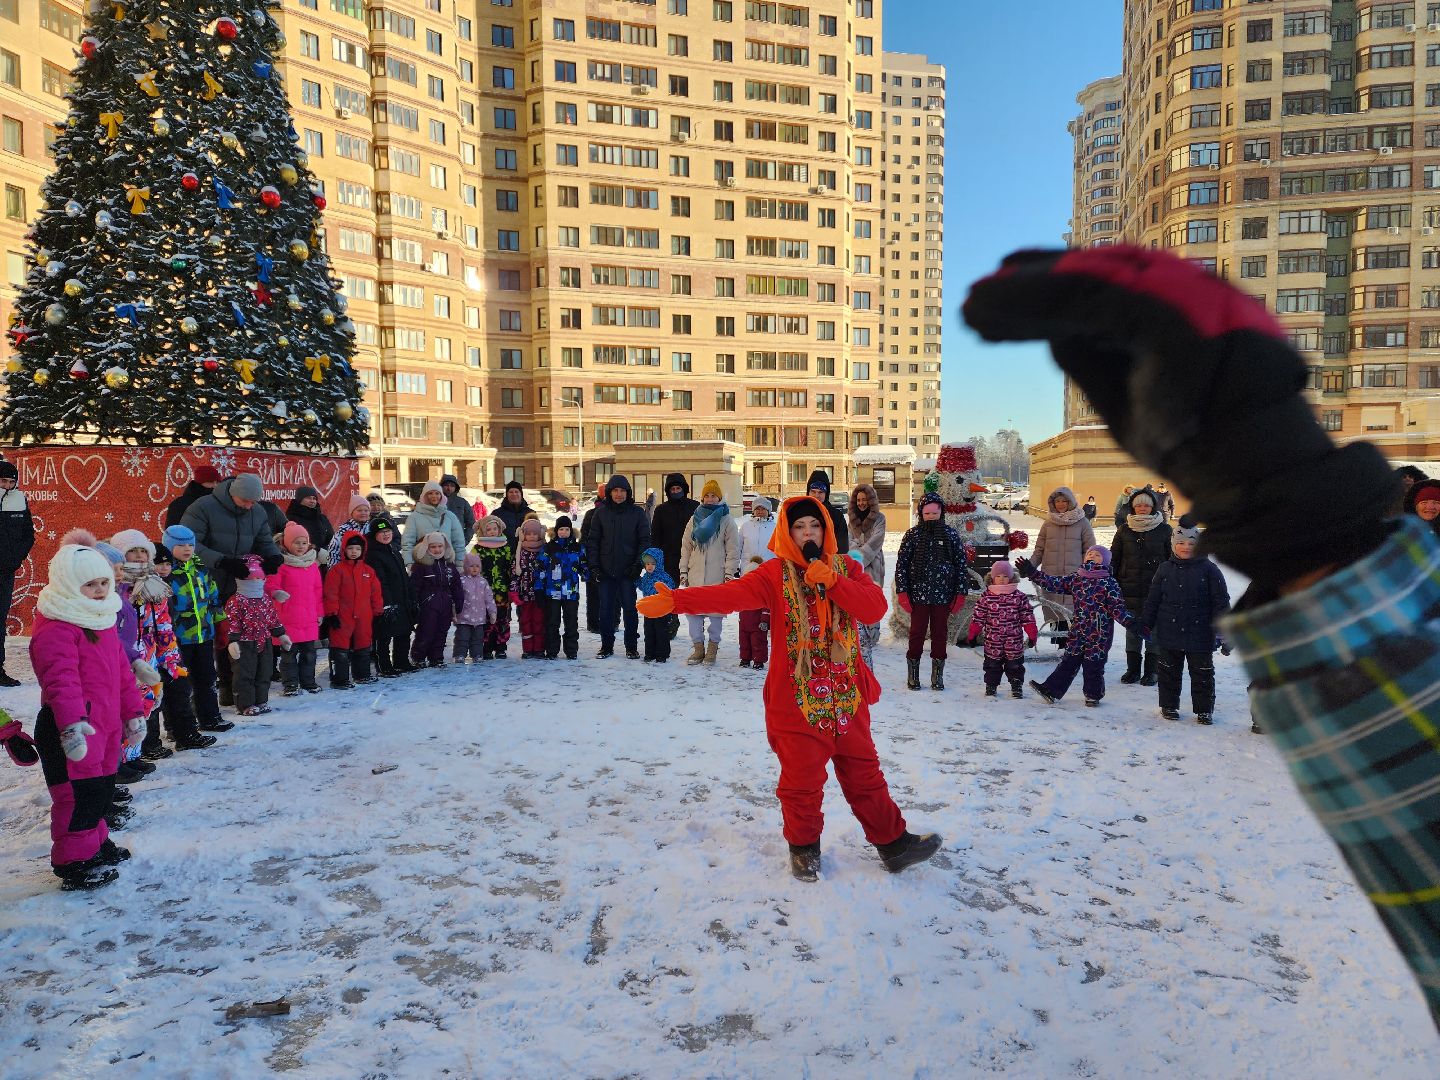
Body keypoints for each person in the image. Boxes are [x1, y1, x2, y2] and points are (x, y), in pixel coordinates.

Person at [965, 243, 1440, 1025]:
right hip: (1176, 600)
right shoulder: (1081, 544)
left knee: (1133, 665)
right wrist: (1292, 506)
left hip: (1162, 609)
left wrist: (1290, 517)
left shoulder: (1141, 547)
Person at [638, 495, 942, 881]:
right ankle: (803, 850)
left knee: (866, 775)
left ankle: (895, 845)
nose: (808, 533)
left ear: (826, 531)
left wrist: (833, 582)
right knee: (801, 782)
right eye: (799, 527)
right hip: (797, 703)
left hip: (846, 698)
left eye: (814, 526)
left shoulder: (846, 567)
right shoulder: (773, 575)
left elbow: (872, 609)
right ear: (787, 532)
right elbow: (730, 595)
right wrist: (676, 601)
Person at [30, 539, 149, 890]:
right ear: (68, 584)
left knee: (99, 790)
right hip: (72, 728)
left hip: (106, 724)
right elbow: (60, 682)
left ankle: (96, 843)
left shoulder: (100, 618)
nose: (99, 591)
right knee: (75, 797)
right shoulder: (57, 628)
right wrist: (70, 728)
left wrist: (133, 713)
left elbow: (122, 675)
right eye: (89, 584)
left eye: (103, 583)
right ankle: (73, 861)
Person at [1016, 547, 1132, 707]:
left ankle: (1093, 695)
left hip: (1099, 633)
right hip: (1078, 630)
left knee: (1093, 665)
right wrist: (1032, 572)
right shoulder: (1077, 578)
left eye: (1097, 555)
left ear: (1105, 561)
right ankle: (1051, 690)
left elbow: (1117, 608)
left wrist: (1131, 622)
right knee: (1068, 661)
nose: (1092, 556)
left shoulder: (1109, 582)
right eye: (1090, 554)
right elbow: (1053, 584)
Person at [1141, 523, 1230, 725]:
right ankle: (1169, 705)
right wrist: (1145, 623)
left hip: (1201, 632)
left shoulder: (1210, 570)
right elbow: (1153, 599)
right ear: (1173, 545)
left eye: (1192, 543)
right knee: (1168, 670)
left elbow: (1221, 603)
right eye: (1180, 542)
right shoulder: (1164, 569)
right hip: (1169, 631)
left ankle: (1204, 710)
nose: (1186, 547)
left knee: (1203, 673)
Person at [894, 492, 968, 692]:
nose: (931, 516)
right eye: (927, 513)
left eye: (935, 512)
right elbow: (902, 565)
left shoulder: (951, 535)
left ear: (941, 512)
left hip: (942, 596)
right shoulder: (912, 535)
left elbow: (961, 565)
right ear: (921, 514)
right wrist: (903, 592)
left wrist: (960, 593)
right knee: (916, 633)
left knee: (940, 634)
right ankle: (913, 674)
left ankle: (937, 675)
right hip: (918, 595)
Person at [163, 524, 232, 733]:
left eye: (190, 545)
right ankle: (177, 726)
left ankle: (210, 717)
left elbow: (213, 599)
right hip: (178, 638)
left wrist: (221, 625)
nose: (187, 549)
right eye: (181, 545)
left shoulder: (201, 569)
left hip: (203, 634)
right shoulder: (168, 574)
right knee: (179, 684)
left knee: (207, 678)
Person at [1110, 487, 1173, 687]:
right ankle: (1133, 670)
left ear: (1153, 506)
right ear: (1133, 507)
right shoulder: (1124, 530)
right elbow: (1114, 558)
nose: (1142, 508)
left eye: (1146, 505)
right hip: (1128, 587)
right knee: (1132, 629)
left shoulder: (1165, 529)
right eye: (1138, 505)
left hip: (1156, 588)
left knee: (1153, 629)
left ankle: (1152, 671)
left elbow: (1171, 559)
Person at [585, 474, 650, 660]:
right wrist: (595, 567)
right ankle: (606, 646)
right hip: (605, 571)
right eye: (615, 491)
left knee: (630, 609)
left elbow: (644, 540)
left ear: (627, 492)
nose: (619, 494)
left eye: (622, 491)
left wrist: (638, 565)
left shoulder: (637, 513)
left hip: (628, 571)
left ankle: (631, 646)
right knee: (605, 609)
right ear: (609, 493)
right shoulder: (601, 513)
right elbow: (593, 541)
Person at [678, 480, 740, 665]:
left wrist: (729, 573)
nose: (710, 498)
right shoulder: (694, 518)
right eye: (707, 495)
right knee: (693, 615)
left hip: (717, 575)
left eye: (714, 495)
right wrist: (684, 571)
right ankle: (698, 649)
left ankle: (712, 649)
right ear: (702, 498)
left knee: (715, 616)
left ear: (719, 497)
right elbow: (686, 547)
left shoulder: (726, 519)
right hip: (695, 574)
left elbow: (733, 549)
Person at [1032, 486, 1096, 650]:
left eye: (1064, 501)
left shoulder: (1083, 523)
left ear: (1071, 502)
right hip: (1051, 575)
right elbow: (1039, 550)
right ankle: (1060, 646)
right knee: (1055, 612)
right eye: (1057, 501)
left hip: (1075, 577)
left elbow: (1090, 551)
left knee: (1073, 612)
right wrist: (1029, 566)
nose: (1060, 504)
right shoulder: (1048, 524)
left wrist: (1087, 571)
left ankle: (1073, 647)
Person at [224, 556, 290, 715]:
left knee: (264, 672)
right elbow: (232, 621)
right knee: (245, 674)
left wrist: (281, 634)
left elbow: (272, 618)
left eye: (259, 578)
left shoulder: (265, 599)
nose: (256, 582)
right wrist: (233, 641)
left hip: (264, 640)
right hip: (244, 643)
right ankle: (245, 704)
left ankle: (261, 700)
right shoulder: (236, 601)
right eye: (252, 579)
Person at [966, 560, 1037, 698]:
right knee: (992, 664)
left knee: (1015, 665)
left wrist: (1032, 635)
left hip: (1014, 640)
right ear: (992, 578)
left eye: (1005, 576)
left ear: (1011, 577)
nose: (1002, 579)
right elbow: (978, 617)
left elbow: (1027, 617)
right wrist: (972, 634)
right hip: (993, 641)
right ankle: (991, 686)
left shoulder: (1019, 597)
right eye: (998, 576)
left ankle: (1016, 685)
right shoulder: (986, 597)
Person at [270, 522, 324, 696]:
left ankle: (308, 681)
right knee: (288, 655)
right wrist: (276, 593)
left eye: (304, 542)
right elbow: (271, 585)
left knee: (309, 654)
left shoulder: (312, 565)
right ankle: (291, 684)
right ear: (286, 544)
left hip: (309, 618)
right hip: (287, 619)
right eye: (296, 542)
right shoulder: (281, 565)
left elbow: (318, 591)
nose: (300, 547)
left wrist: (320, 612)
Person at [324, 531, 383, 687]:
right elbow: (331, 593)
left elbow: (376, 593)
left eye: (357, 549)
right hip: (343, 615)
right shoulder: (337, 570)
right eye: (350, 548)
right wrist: (331, 613)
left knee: (363, 645)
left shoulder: (368, 571)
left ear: (362, 550)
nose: (354, 552)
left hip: (364, 615)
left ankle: (362, 675)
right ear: (344, 549)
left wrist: (378, 611)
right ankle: (339, 679)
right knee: (340, 647)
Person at [648, 472, 698, 643]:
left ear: (684, 489)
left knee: (695, 593)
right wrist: (655, 558)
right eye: (673, 489)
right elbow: (655, 536)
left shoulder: (695, 507)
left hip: (692, 558)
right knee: (669, 593)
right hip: (669, 558)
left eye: (679, 488)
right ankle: (671, 621)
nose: (676, 491)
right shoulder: (661, 510)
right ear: (668, 491)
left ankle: (698, 626)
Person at [363, 515, 413, 676]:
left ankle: (402, 661)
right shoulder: (372, 554)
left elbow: (403, 577)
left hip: (401, 599)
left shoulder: (393, 550)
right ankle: (384, 665)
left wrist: (409, 597)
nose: (386, 534)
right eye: (382, 532)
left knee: (404, 632)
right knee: (384, 635)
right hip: (385, 602)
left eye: (388, 531)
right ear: (374, 535)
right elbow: (380, 582)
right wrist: (387, 603)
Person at [409, 531, 464, 668]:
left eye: (440, 546)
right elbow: (414, 587)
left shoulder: (449, 565)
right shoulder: (421, 566)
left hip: (445, 602)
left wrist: (458, 602)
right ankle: (418, 656)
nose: (437, 550)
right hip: (428, 603)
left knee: (441, 631)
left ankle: (436, 657)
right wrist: (414, 604)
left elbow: (456, 585)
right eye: (433, 547)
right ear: (426, 548)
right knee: (426, 631)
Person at [847, 483, 887, 671]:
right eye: (859, 500)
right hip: (857, 568)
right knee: (858, 598)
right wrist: (857, 559)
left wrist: (860, 557)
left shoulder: (880, 518)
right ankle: (860, 632)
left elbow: (876, 540)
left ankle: (873, 633)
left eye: (865, 499)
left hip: (875, 564)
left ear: (871, 500)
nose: (862, 503)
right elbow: (850, 541)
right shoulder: (851, 521)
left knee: (873, 597)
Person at [0, 460, 33, 685]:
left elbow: (28, 535)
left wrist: (15, 560)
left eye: (12, 482)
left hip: (6, 571)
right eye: (3, 481)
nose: (8, 486)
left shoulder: (20, 500)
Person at [537, 515, 586, 661]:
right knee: (552, 621)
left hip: (571, 592)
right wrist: (539, 588)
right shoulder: (549, 547)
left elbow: (584, 566)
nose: (564, 532)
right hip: (552, 592)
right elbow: (541, 569)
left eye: (566, 529)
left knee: (571, 621)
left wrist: (591, 574)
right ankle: (552, 650)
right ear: (556, 531)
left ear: (571, 531)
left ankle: (571, 650)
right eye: (561, 529)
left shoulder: (577, 548)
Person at [473, 515, 514, 659]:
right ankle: (487, 647)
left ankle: (501, 647)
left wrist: (512, 585)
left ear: (499, 529)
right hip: (484, 592)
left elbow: (511, 568)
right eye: (488, 529)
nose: (492, 532)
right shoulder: (478, 549)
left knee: (502, 619)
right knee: (486, 619)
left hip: (502, 592)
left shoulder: (506, 548)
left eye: (494, 529)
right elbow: (472, 567)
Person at [403, 481, 465, 567]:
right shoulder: (414, 517)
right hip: (423, 566)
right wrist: (409, 563)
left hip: (446, 564)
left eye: (437, 493)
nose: (434, 496)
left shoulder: (450, 516)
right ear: (424, 495)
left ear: (441, 496)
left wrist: (459, 563)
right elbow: (407, 543)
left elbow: (458, 542)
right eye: (430, 493)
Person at [512, 516, 548, 659]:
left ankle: (539, 648)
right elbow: (515, 572)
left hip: (540, 595)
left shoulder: (544, 551)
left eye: (535, 533)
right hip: (524, 594)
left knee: (539, 621)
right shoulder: (520, 552)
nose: (532, 537)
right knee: (526, 621)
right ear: (523, 535)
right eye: (529, 534)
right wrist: (514, 591)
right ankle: (527, 649)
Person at [454, 553, 498, 664]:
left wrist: (492, 612)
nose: (474, 568)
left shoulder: (483, 582)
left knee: (477, 639)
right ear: (465, 567)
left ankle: (477, 654)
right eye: (471, 566)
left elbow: (489, 598)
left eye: (477, 566)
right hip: (463, 617)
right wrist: (454, 612)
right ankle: (460, 654)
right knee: (462, 638)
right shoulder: (461, 580)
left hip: (479, 618)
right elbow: (456, 598)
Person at [637, 548, 676, 663]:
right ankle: (650, 653)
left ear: (658, 563)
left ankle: (662, 654)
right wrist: (635, 579)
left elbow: (671, 590)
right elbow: (641, 586)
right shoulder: (645, 577)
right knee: (649, 632)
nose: (650, 566)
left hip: (662, 611)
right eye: (647, 564)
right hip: (649, 610)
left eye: (653, 564)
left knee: (661, 632)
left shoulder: (664, 577)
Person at [284, 486, 334, 570]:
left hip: (323, 563)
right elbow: (290, 542)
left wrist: (324, 552)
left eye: (314, 498)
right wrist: (316, 552)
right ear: (299, 500)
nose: (312, 501)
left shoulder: (322, 518)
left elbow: (331, 539)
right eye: (308, 498)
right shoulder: (291, 518)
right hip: (299, 563)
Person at [579, 489, 607, 634]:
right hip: (593, 558)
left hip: (609, 559)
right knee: (594, 594)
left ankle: (609, 622)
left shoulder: (614, 512)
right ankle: (594, 623)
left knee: (610, 595)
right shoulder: (591, 513)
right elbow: (584, 537)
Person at [736, 555, 770, 669]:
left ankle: (758, 661)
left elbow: (766, 607)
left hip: (758, 624)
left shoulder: (763, 592)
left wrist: (765, 621)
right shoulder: (743, 591)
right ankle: (745, 659)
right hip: (744, 622)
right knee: (744, 642)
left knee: (758, 643)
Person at [163, 463, 220, 528]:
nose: (215, 485)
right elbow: (172, 533)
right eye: (210, 482)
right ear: (200, 482)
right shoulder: (179, 505)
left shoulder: (221, 503)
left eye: (218, 482)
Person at [805, 470, 849, 552]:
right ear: (808, 492)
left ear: (826, 494)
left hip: (829, 561)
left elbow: (842, 546)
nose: (816, 495)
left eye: (820, 492)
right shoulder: (800, 512)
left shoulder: (835, 516)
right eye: (813, 491)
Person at [327, 495, 373, 567]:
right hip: (349, 568)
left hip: (369, 569)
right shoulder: (344, 530)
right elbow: (334, 552)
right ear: (352, 513)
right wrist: (334, 571)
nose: (363, 513)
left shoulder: (372, 528)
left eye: (366, 510)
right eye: (359, 510)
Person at [492, 481, 534, 552]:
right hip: (503, 554)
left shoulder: (530, 513)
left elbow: (537, 534)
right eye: (511, 492)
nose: (514, 494)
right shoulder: (497, 514)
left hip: (526, 555)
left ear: (521, 494)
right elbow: (489, 534)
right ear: (507, 494)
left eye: (516, 491)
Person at [440, 473, 477, 544]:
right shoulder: (435, 501)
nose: (449, 488)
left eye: (452, 486)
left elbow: (471, 524)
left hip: (457, 543)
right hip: (437, 545)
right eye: (446, 485)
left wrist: (465, 540)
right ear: (441, 486)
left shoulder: (462, 503)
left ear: (456, 487)